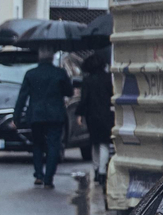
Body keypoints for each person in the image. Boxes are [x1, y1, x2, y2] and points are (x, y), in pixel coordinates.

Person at [14, 45, 75, 189]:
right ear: (52, 57)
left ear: (39, 57)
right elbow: (69, 92)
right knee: (54, 145)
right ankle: (49, 178)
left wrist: (16, 117)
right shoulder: (59, 73)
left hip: (36, 114)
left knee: (37, 144)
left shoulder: (31, 74)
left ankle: (38, 175)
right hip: (55, 115)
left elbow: (22, 97)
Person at [78, 52, 115, 184]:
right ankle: (102, 171)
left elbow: (84, 100)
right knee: (104, 143)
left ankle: (96, 167)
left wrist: (79, 114)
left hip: (92, 115)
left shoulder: (87, 80)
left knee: (95, 143)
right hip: (106, 114)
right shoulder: (108, 78)